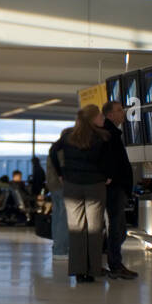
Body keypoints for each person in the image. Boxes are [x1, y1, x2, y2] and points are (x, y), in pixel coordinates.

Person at [49, 105, 111, 283]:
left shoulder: (68, 136)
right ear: (93, 118)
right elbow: (107, 161)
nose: (102, 118)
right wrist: (106, 176)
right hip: (95, 185)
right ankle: (92, 270)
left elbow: (53, 151)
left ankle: (78, 271)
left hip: (72, 185)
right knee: (94, 228)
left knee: (76, 228)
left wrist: (61, 173)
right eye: (100, 115)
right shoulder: (102, 137)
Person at [101, 100, 138, 279]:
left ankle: (113, 261)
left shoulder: (113, 132)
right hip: (114, 188)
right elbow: (109, 159)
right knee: (117, 227)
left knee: (118, 228)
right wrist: (109, 176)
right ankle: (115, 264)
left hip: (116, 187)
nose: (123, 113)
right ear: (109, 114)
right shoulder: (108, 133)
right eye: (118, 110)